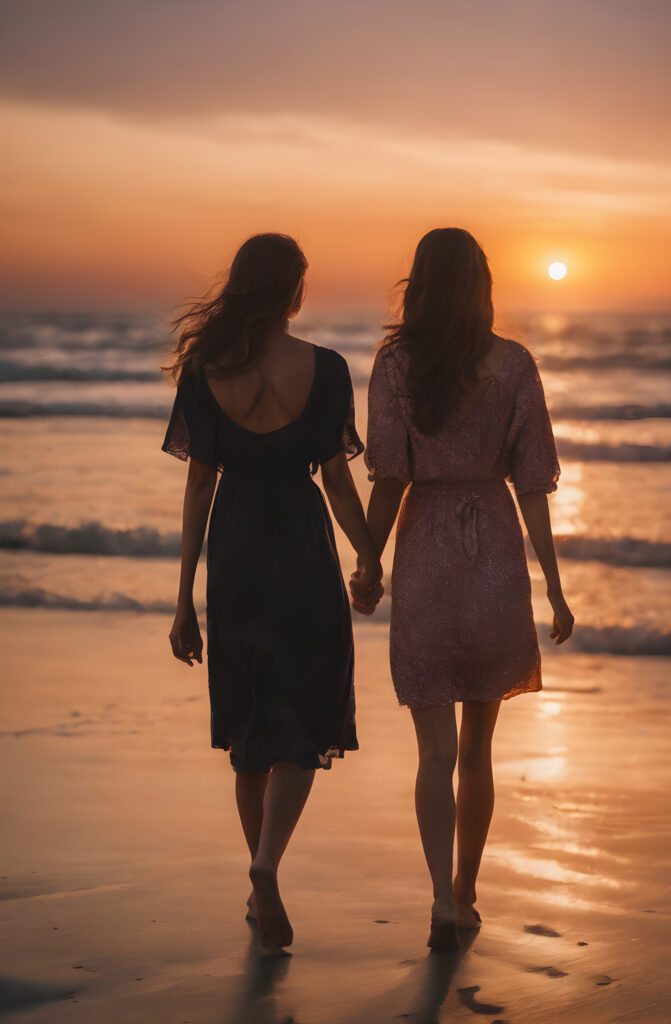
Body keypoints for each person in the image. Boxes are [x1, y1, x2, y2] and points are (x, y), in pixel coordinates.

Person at [354, 227, 574, 951]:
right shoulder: (512, 364)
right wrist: (553, 585)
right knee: (479, 748)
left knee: (434, 752)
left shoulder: (397, 364)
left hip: (424, 549)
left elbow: (388, 476)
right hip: (495, 559)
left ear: (418, 283)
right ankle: (467, 892)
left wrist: (368, 560)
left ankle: (442, 899)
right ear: (481, 285)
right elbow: (534, 484)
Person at [161, 233, 382, 952]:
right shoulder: (323, 368)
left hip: (234, 553)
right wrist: (370, 556)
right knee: (304, 715)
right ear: (292, 290)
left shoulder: (206, 368)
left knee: (251, 731)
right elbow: (338, 479)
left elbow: (199, 484)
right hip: (301, 550)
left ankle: (259, 884)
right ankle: (266, 864)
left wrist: (184, 596)